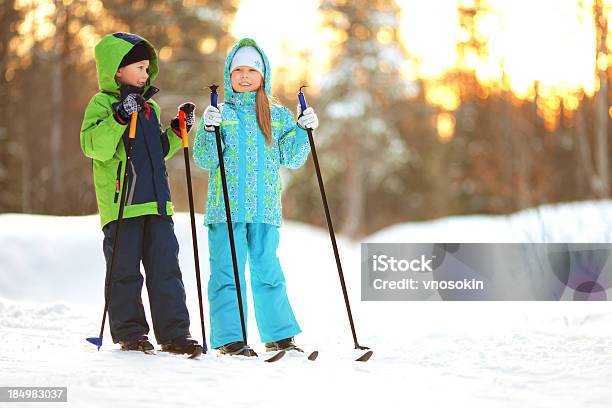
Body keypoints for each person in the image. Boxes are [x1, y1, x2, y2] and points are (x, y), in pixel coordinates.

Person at [193, 38, 319, 355]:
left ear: (263, 75)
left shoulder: (277, 116)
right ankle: (229, 338)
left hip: (265, 209)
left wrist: (304, 131)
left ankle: (279, 335)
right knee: (227, 271)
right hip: (226, 209)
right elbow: (206, 161)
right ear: (229, 75)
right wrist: (207, 130)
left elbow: (292, 157)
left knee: (268, 271)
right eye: (239, 70)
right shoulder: (220, 114)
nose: (245, 76)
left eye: (252, 70)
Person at [80, 32, 202, 355]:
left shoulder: (147, 109)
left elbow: (156, 151)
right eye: (139, 68)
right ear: (117, 70)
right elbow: (94, 146)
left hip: (158, 205)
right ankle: (130, 331)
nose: (146, 75)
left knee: (166, 269)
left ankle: (175, 333)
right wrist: (120, 115)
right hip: (123, 205)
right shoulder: (102, 105)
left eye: (148, 69)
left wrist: (178, 129)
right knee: (124, 271)